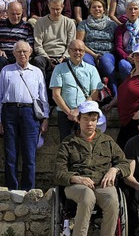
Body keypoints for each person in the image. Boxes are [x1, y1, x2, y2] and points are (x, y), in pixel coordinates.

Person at [54, 101, 130, 236]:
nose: (90, 123)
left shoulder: (107, 141)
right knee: (87, 195)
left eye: (93, 120)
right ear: (78, 120)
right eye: (86, 119)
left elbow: (124, 164)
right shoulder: (68, 143)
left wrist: (114, 170)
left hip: (102, 184)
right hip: (76, 186)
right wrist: (76, 178)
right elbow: (58, 173)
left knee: (112, 200)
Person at [0, 40, 49, 190]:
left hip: (30, 114)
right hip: (9, 112)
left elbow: (43, 97)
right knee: (10, 154)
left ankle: (28, 189)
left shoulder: (37, 72)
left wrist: (46, 118)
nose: (22, 54)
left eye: (25, 51)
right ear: (14, 53)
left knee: (29, 155)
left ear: (30, 53)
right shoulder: (6, 70)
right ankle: (11, 188)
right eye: (19, 51)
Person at [103, 43, 139, 150]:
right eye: (136, 55)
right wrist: (111, 104)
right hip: (128, 122)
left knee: (129, 155)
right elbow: (123, 93)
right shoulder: (132, 74)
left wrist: (138, 115)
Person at [50, 40, 102, 140]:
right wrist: (69, 113)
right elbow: (56, 95)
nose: (78, 53)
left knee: (85, 145)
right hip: (65, 115)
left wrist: (78, 111)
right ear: (69, 51)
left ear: (84, 52)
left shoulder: (92, 69)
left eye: (81, 50)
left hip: (85, 114)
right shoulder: (59, 68)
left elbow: (95, 93)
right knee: (66, 146)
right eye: (74, 50)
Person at [77, 0, 118, 95]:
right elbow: (79, 43)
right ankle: (93, 93)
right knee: (87, 63)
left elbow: (116, 42)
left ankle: (116, 93)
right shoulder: (84, 24)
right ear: (90, 10)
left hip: (108, 53)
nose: (97, 9)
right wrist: (94, 55)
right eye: (94, 7)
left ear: (104, 9)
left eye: (99, 7)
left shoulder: (112, 24)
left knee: (106, 62)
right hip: (89, 52)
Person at [31, 0, 76, 82]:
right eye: (53, 9)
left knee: (72, 61)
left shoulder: (69, 23)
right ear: (48, 6)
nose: (55, 12)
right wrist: (47, 58)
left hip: (63, 56)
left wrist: (63, 57)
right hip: (46, 55)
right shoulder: (40, 22)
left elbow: (71, 44)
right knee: (37, 60)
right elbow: (38, 45)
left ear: (62, 7)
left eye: (58, 9)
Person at [115, 0, 139, 82]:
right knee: (123, 65)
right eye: (130, 9)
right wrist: (127, 57)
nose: (133, 11)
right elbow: (118, 46)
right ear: (126, 11)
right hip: (128, 56)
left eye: (135, 9)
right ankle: (129, 87)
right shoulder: (120, 28)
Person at [0, 1, 34, 79]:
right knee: (0, 60)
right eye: (13, 14)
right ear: (7, 12)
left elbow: (30, 46)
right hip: (5, 56)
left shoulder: (27, 27)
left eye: (18, 14)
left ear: (22, 12)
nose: (15, 17)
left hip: (20, 56)